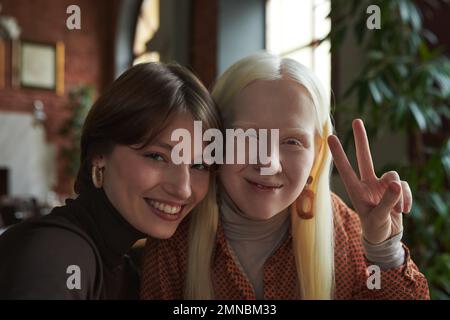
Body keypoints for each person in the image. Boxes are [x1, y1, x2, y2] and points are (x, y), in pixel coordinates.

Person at [140, 52, 430, 300]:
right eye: (249, 137)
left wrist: (383, 250)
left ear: (316, 154)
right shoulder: (175, 237)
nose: (269, 163)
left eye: (292, 142)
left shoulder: (346, 234)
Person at [0, 62, 221, 299]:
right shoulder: (55, 258)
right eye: (157, 156)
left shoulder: (124, 270)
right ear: (99, 156)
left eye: (199, 165)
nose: (183, 189)